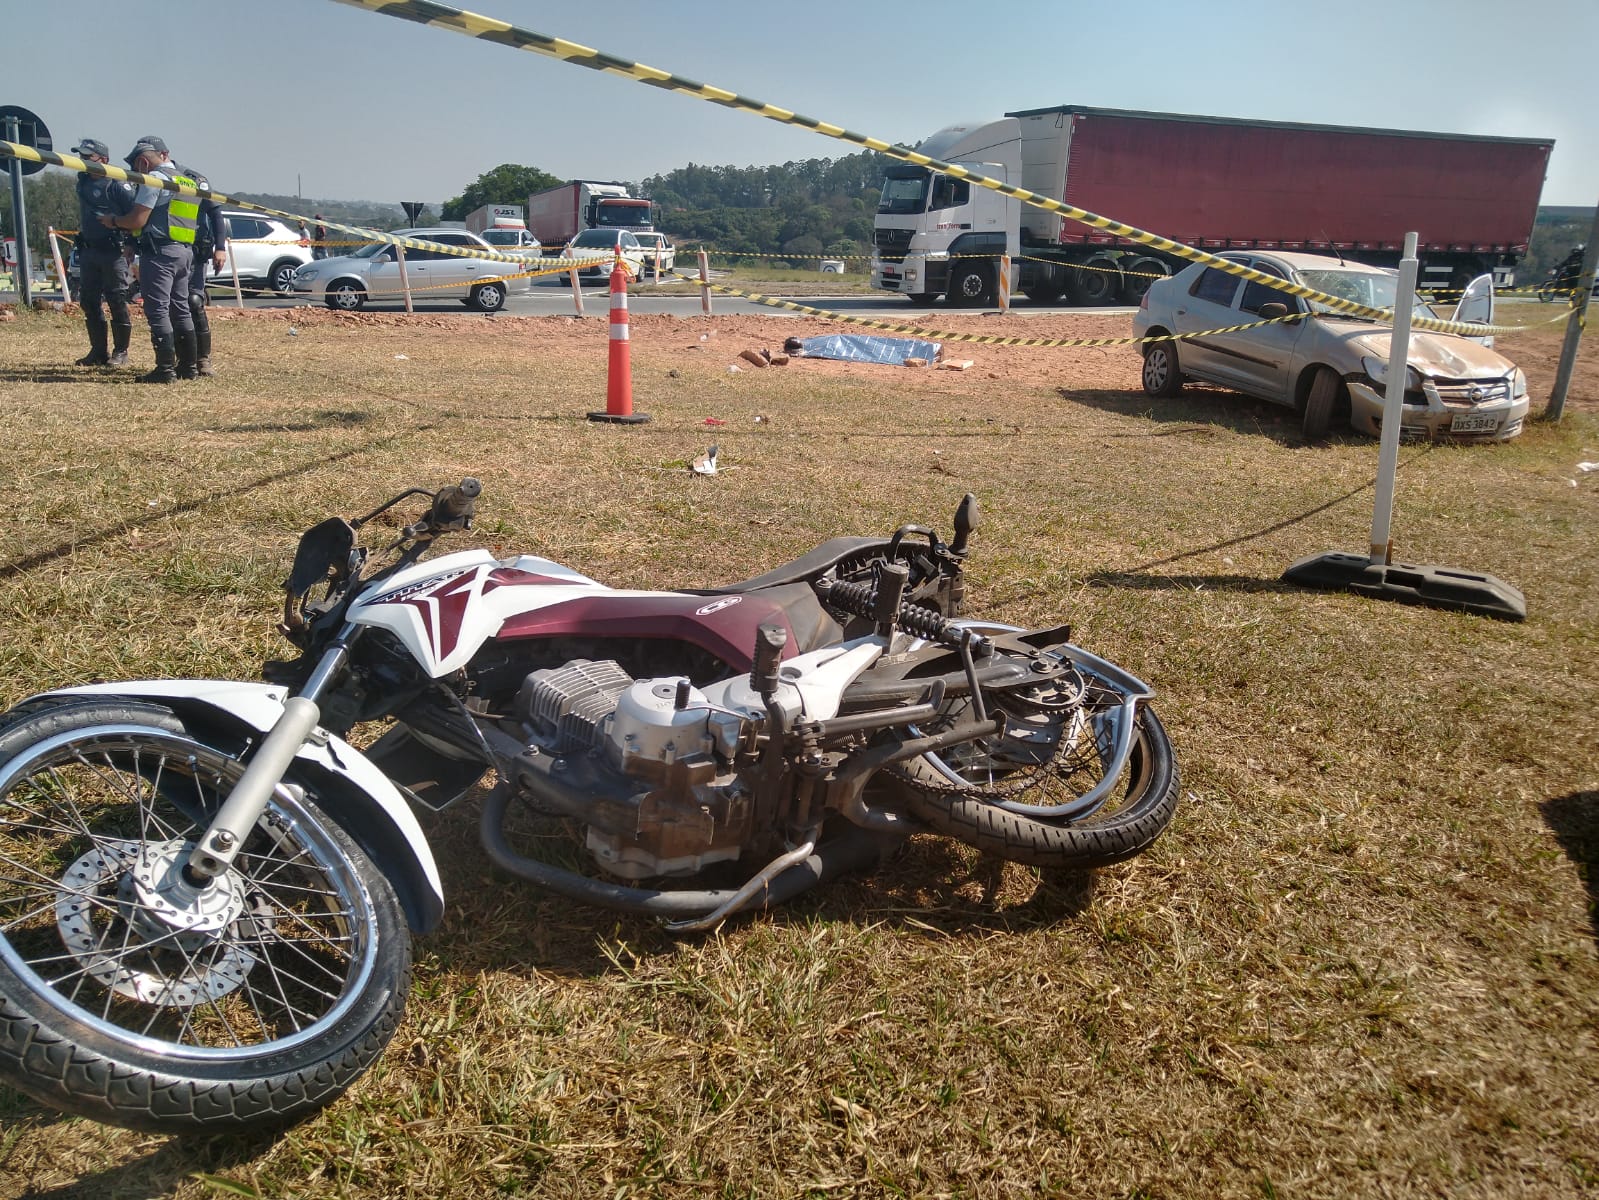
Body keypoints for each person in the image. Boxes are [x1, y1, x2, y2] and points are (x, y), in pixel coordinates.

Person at [100, 136, 199, 384]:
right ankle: (189, 366)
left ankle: (165, 369)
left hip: (160, 253)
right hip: (184, 251)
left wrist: (113, 221)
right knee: (181, 308)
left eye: (136, 168)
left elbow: (137, 220)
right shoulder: (186, 179)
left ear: (143, 162)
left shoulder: (153, 180)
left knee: (157, 309)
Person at [69, 138, 136, 368]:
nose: (83, 161)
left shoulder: (117, 185)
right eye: (82, 157)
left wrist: (131, 243)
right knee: (88, 301)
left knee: (117, 300)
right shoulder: (83, 182)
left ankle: (121, 352)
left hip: (113, 251)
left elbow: (136, 216)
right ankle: (98, 351)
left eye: (88, 157)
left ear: (104, 160)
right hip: (89, 250)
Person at [171, 156, 227, 377]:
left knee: (194, 302)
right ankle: (182, 358)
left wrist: (220, 247)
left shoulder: (194, 179)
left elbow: (215, 213)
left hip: (195, 250)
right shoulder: (151, 179)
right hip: (168, 250)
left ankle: (203, 359)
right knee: (171, 305)